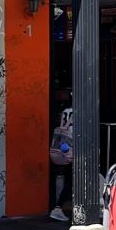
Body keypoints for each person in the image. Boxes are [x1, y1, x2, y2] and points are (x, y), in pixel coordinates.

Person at [48, 90, 75, 218]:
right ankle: (58, 207)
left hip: (65, 147)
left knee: (69, 177)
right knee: (73, 179)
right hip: (74, 146)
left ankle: (58, 207)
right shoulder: (78, 111)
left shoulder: (65, 111)